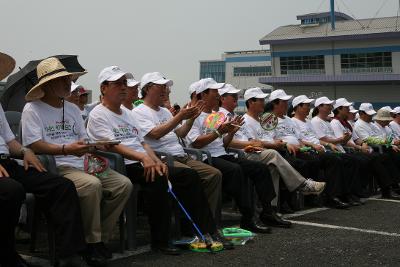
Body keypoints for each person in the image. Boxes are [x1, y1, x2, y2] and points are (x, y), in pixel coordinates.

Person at [87, 66, 222, 253]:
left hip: (141, 160)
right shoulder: (99, 113)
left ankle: (205, 230)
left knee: (185, 176)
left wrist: (154, 160)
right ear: (103, 88)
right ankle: (161, 240)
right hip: (121, 164)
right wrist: (146, 159)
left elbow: (142, 143)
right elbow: (114, 146)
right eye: (117, 84)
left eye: (124, 83)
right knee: (159, 179)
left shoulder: (127, 113)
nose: (123, 87)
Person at [21, 58, 133, 265]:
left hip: (84, 161)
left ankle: (98, 239)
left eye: (68, 79)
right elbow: (34, 145)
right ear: (47, 85)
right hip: (57, 165)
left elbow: (83, 140)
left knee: (123, 184)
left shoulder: (72, 109)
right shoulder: (32, 109)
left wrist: (97, 145)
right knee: (91, 185)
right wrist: (66, 149)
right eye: (62, 80)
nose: (68, 83)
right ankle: (91, 242)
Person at [1, 52, 88, 267]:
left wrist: (24, 151)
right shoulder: (34, 109)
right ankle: (7, 255)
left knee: (61, 186)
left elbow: (10, 141)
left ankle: (69, 255)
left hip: (6, 162)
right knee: (11, 191)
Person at [187, 78, 284, 232]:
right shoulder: (195, 115)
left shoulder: (215, 115)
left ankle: (267, 211)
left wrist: (231, 133)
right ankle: (248, 217)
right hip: (207, 157)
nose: (218, 95)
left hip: (222, 154)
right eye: (215, 92)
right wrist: (220, 131)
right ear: (203, 95)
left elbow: (221, 144)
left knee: (260, 169)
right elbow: (197, 143)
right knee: (236, 171)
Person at [132, 72, 223, 221]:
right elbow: (155, 134)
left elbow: (180, 133)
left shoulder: (165, 112)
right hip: (163, 157)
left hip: (181, 155)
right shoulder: (139, 112)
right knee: (190, 176)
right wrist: (180, 116)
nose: (165, 90)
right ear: (148, 89)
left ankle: (207, 220)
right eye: (161, 86)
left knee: (214, 174)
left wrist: (190, 120)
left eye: (166, 86)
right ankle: (192, 224)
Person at [221, 87, 325, 210]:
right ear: (251, 102)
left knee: (273, 166)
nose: (263, 103)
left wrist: (278, 143)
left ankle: (271, 208)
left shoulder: (262, 120)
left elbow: (266, 139)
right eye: (260, 100)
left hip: (262, 151)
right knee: (274, 155)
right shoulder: (242, 119)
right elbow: (250, 142)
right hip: (249, 153)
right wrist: (271, 144)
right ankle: (302, 185)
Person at [330, 99, 400, 199]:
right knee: (377, 158)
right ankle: (385, 189)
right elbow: (344, 141)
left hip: (364, 148)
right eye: (347, 108)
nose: (349, 110)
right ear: (339, 109)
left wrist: (362, 144)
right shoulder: (337, 123)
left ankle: (391, 186)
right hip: (353, 150)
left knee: (385, 157)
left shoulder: (347, 123)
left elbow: (357, 139)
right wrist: (361, 146)